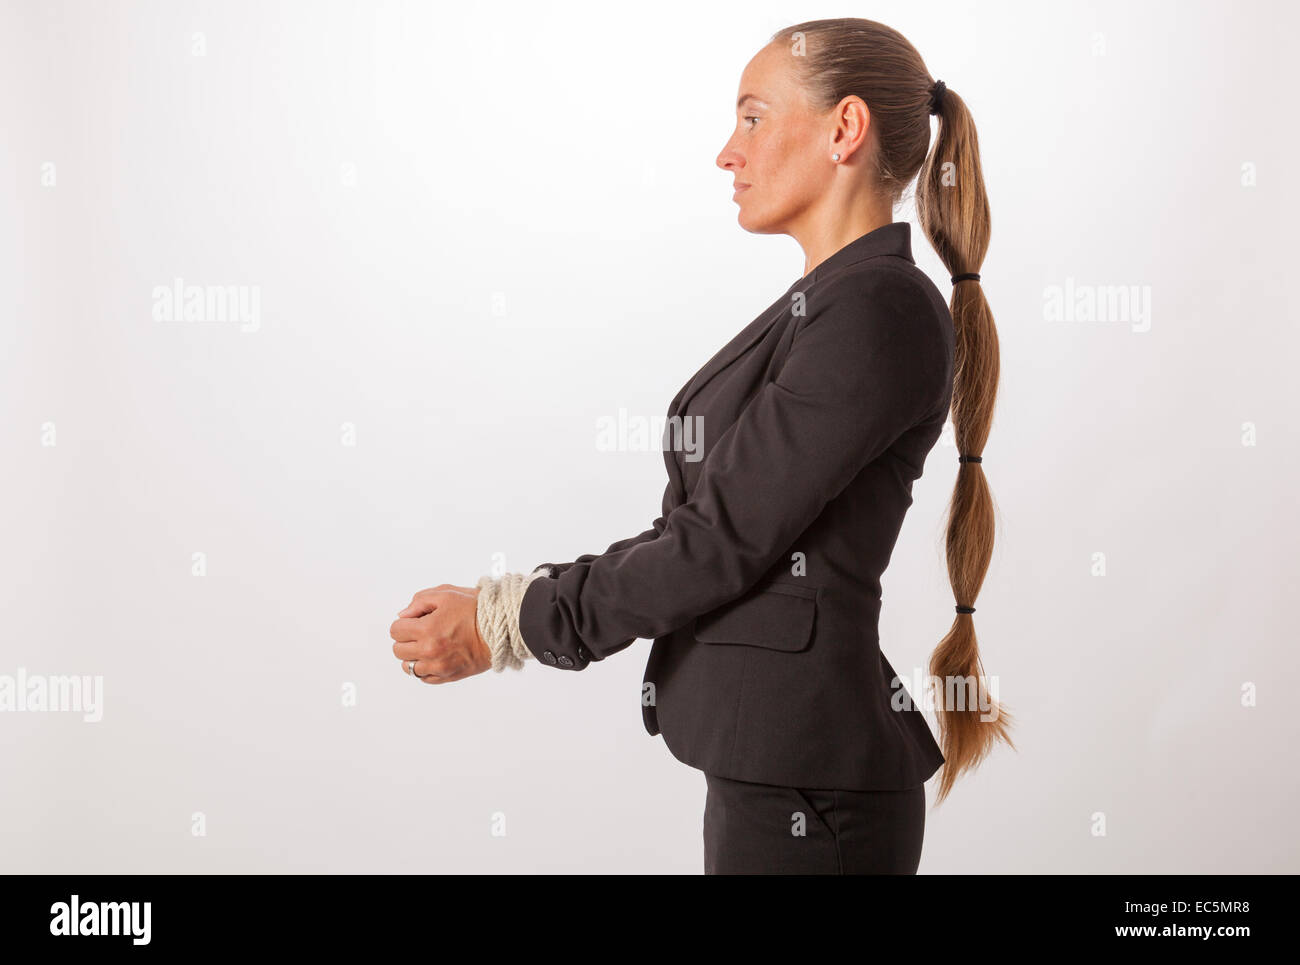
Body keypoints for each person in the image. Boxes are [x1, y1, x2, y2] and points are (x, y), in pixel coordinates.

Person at [389, 17, 1014, 874]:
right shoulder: (834, 305)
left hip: (811, 791)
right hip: (781, 774)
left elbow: (717, 541)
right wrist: (518, 605)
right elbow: (707, 524)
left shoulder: (879, 311)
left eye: (753, 117)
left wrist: (512, 623)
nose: (728, 152)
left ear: (845, 129)